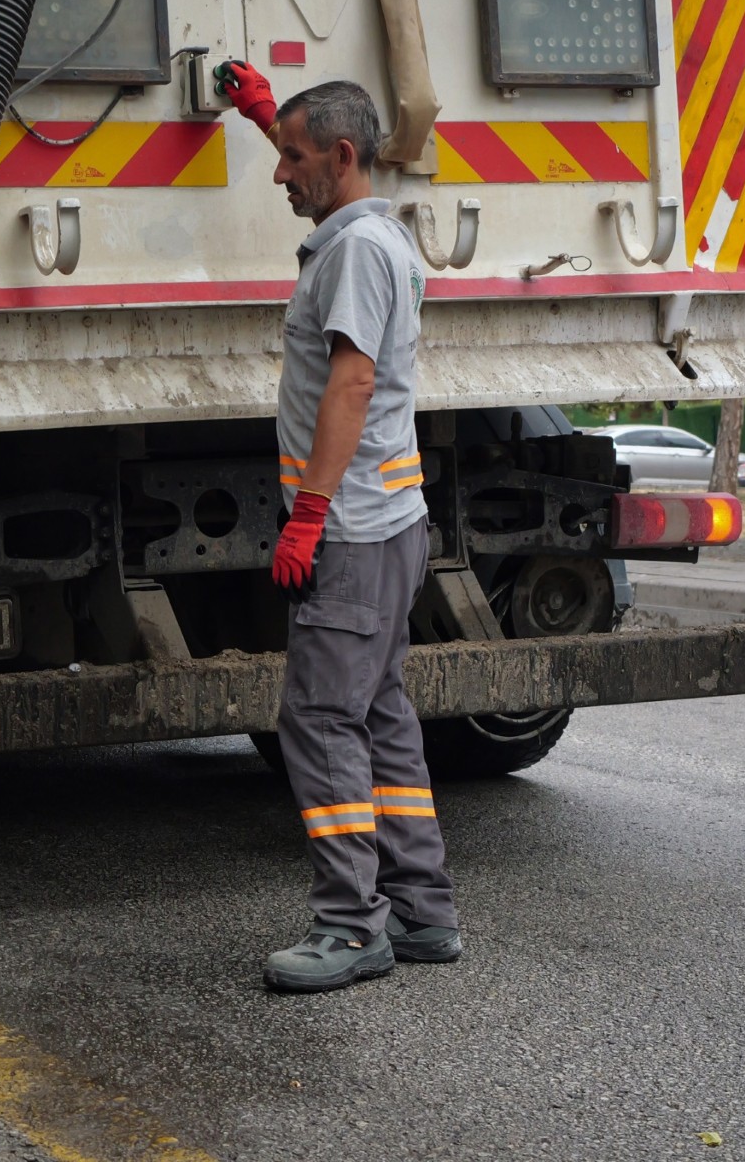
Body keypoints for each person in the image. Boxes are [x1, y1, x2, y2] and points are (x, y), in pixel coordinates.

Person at [217, 61, 461, 993]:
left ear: (343, 157)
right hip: (391, 523)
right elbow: (319, 160)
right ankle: (424, 911)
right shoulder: (371, 230)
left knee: (319, 720)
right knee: (382, 715)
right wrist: (263, 113)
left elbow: (352, 383)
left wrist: (308, 515)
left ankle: (351, 926)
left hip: (352, 529)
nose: (279, 172)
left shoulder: (355, 252)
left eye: (290, 156)